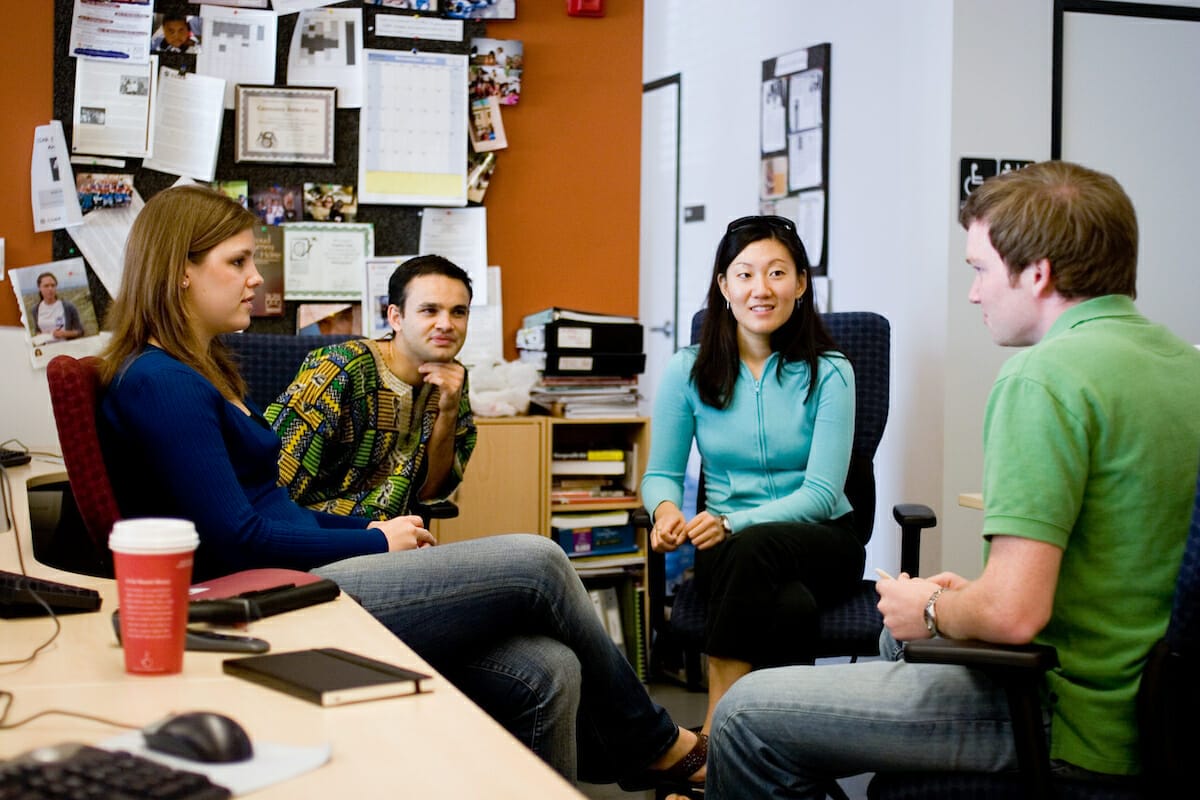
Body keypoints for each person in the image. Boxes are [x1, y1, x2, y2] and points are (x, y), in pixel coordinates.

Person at [96, 184, 706, 790]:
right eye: (238, 261)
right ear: (180, 271)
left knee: (548, 669)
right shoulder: (163, 382)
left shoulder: (204, 370)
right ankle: (653, 745)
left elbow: (279, 509)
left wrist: (371, 529)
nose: (256, 278)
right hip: (265, 597)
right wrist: (374, 542)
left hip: (308, 564)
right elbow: (241, 538)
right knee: (541, 561)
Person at [702, 161, 1200, 799]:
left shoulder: (1044, 378)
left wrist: (932, 607)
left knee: (746, 711)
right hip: (1164, 713)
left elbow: (1014, 614)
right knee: (892, 638)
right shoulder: (1183, 365)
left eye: (981, 270)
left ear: (1038, 273)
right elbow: (1126, 558)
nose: (973, 293)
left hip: (1067, 716)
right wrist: (966, 599)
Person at [641, 214, 860, 745]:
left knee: (752, 546)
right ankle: (783, 752)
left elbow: (821, 495)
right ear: (723, 285)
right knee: (791, 608)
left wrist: (731, 519)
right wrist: (666, 512)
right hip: (727, 551)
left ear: (801, 284)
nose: (761, 289)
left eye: (778, 273)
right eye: (744, 274)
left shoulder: (831, 372)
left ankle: (714, 740)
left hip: (823, 541)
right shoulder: (687, 370)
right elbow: (661, 474)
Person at [265, 256, 475, 521]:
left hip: (395, 537)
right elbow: (269, 489)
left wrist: (448, 411)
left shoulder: (453, 378)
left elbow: (429, 493)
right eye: (429, 310)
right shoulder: (340, 369)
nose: (446, 324)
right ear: (396, 317)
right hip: (319, 533)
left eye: (458, 311)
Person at [30, 271, 84, 340]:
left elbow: (80, 331)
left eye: (53, 285)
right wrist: (40, 336)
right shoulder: (36, 309)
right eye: (46, 286)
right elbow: (38, 330)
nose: (50, 289)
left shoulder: (68, 307)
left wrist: (65, 333)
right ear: (39, 288)